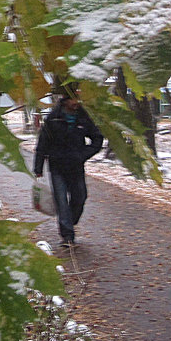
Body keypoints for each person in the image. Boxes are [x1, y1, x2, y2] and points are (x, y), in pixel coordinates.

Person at [33, 91, 104, 248]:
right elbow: (42, 144)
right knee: (61, 201)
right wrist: (38, 168)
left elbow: (97, 138)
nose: (76, 102)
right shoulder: (53, 118)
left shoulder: (83, 117)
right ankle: (67, 236)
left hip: (76, 166)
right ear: (65, 100)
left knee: (80, 197)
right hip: (57, 166)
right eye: (73, 98)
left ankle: (70, 222)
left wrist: (83, 154)